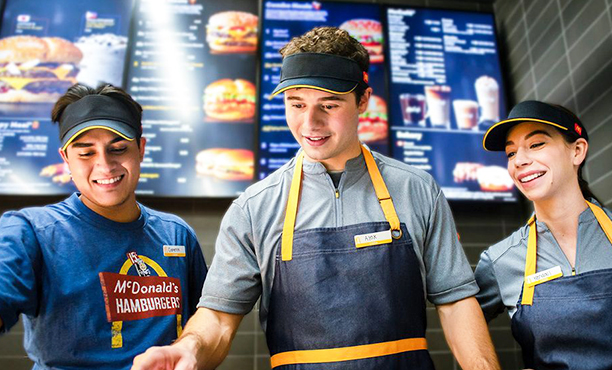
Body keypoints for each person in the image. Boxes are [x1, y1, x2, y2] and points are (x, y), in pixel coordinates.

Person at [132, 27, 500, 370]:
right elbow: (218, 317)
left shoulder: (417, 189)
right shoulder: (253, 207)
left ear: (363, 101)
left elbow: (455, 302)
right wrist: (189, 347)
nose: (310, 124)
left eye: (329, 104)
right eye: (296, 104)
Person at [0, 84, 208, 369]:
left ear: (141, 149)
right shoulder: (30, 231)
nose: (105, 166)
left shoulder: (176, 234)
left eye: (118, 149)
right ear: (66, 160)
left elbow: (205, 326)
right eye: (86, 153)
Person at [475, 100, 612, 369]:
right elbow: (459, 316)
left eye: (536, 144)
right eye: (511, 153)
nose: (520, 161)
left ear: (577, 151)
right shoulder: (500, 260)